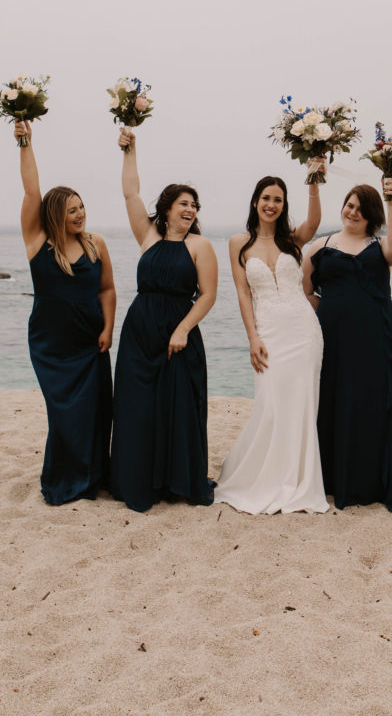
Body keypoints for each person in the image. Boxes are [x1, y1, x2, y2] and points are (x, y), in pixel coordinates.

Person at [110, 128, 218, 512]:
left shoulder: (200, 246)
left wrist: (183, 329)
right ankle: (137, 478)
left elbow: (207, 295)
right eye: (185, 204)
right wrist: (130, 150)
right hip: (140, 333)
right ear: (169, 206)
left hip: (179, 336)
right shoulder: (149, 235)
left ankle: (175, 479)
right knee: (137, 405)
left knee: (178, 409)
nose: (191, 210)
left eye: (195, 206)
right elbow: (130, 193)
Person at [215, 169, 329, 514]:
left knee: (302, 404)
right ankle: (264, 476)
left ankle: (297, 480)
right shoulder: (239, 243)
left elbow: (314, 220)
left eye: (278, 200)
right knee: (271, 402)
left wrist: (313, 178)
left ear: (283, 205)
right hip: (268, 331)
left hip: (303, 331)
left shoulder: (293, 241)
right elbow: (242, 293)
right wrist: (252, 337)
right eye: (266, 198)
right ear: (255, 201)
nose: (271, 204)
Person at [13, 119, 115, 505]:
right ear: (56, 214)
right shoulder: (38, 240)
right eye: (72, 210)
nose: (80, 214)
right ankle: (63, 479)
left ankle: (92, 478)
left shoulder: (95, 243)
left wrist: (108, 327)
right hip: (51, 344)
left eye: (82, 207)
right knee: (64, 413)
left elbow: (107, 288)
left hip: (90, 339)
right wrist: (25, 143)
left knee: (95, 411)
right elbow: (31, 190)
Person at [303, 177, 392, 515]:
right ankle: (335, 480)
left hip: (378, 336)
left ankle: (375, 482)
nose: (352, 212)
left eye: (361, 209)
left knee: (374, 402)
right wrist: (332, 314)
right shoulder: (320, 246)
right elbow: (305, 290)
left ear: (371, 216)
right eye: (349, 205)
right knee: (337, 401)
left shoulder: (379, 245)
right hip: (334, 338)